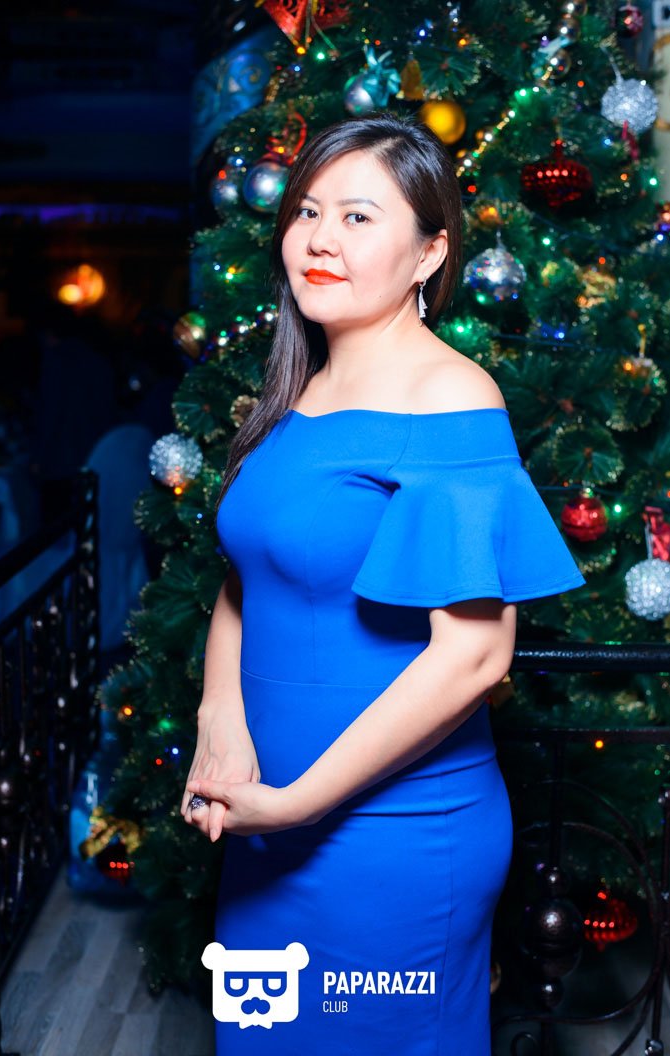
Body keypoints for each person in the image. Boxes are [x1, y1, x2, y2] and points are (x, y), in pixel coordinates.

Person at [180, 113, 586, 1054]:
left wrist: (301, 802)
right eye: (307, 211)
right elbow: (248, 581)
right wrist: (217, 717)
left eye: (358, 217)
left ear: (428, 254)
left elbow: (474, 657)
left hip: (392, 839)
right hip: (265, 819)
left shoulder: (450, 399)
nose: (319, 239)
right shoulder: (296, 395)